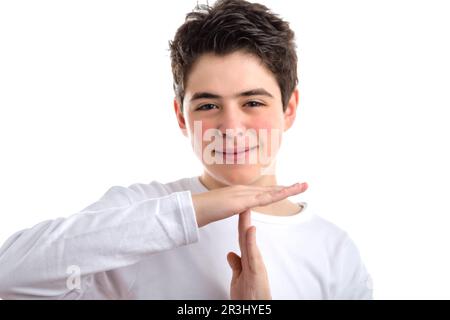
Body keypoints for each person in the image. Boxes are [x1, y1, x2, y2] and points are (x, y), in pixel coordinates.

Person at [0, 0, 373, 299]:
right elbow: (9, 276)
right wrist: (194, 211)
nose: (230, 127)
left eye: (253, 103)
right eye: (208, 106)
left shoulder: (334, 252)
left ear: (288, 109)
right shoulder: (137, 211)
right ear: (181, 116)